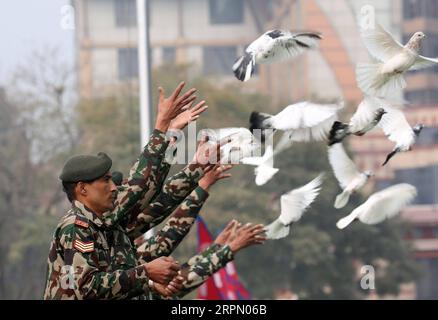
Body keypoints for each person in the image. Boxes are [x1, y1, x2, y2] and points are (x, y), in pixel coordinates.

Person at [43, 82, 200, 299]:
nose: (114, 187)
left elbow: (149, 190)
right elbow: (87, 289)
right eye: (105, 180)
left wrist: (171, 137)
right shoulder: (76, 227)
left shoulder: (106, 224)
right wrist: (146, 274)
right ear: (82, 189)